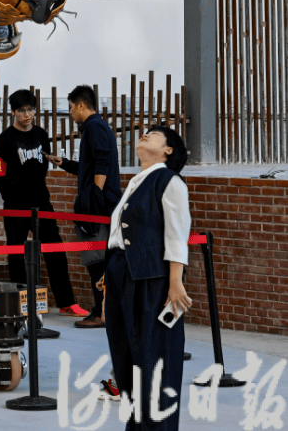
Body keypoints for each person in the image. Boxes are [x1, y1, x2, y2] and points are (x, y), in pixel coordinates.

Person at [102, 126, 192, 430]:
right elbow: (121, 234)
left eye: (153, 134)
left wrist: (175, 283)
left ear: (168, 150)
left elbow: (177, 236)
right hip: (121, 274)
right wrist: (109, 274)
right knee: (126, 361)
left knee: (155, 360)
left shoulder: (169, 181)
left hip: (152, 279)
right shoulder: (136, 181)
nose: (144, 135)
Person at [0, 89, 88, 317]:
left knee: (55, 250)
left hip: (42, 203)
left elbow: (42, 166)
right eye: (22, 111)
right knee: (16, 254)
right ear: (13, 112)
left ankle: (66, 302)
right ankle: (22, 302)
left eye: (31, 110)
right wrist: (11, 197)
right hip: (16, 205)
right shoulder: (3, 141)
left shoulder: (41, 135)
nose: (27, 115)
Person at [47, 85, 122, 328]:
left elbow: (102, 159)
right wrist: (65, 163)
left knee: (96, 259)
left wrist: (95, 195)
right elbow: (90, 166)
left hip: (99, 206)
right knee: (99, 260)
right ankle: (105, 310)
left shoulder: (94, 126)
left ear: (80, 105)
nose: (70, 113)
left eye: (70, 107)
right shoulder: (95, 127)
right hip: (100, 202)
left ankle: (101, 313)